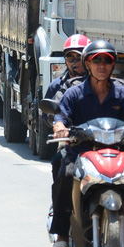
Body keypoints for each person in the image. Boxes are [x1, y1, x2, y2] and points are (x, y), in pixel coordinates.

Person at [49, 39, 124, 247]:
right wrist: (60, 127)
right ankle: (60, 235)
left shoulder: (122, 93)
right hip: (81, 152)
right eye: (95, 60)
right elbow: (61, 115)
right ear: (87, 64)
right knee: (65, 174)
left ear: (113, 64)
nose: (101, 65)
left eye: (106, 61)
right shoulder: (75, 93)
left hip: (119, 151)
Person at [46, 34, 91, 183]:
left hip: (101, 139)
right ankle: (59, 204)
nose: (75, 63)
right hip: (73, 139)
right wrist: (59, 126)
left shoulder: (105, 84)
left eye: (79, 58)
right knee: (59, 161)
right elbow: (50, 113)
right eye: (70, 58)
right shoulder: (60, 86)